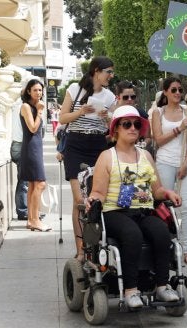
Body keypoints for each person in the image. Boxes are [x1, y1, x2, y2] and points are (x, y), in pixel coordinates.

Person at [85, 105, 182, 308]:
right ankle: (130, 290)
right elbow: (99, 192)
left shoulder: (146, 156)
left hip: (143, 210)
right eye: (127, 124)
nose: (133, 128)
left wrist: (167, 193)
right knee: (132, 234)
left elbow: (156, 190)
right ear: (116, 129)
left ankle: (162, 286)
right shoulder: (107, 156)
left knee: (162, 233)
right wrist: (92, 200)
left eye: (137, 124)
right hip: (114, 211)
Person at [59, 56, 116, 260]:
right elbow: (62, 117)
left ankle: (96, 245)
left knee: (97, 198)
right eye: (108, 71)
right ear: (96, 71)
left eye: (112, 72)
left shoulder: (110, 96)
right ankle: (81, 248)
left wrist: (108, 117)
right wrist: (81, 111)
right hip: (75, 145)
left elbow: (114, 128)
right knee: (79, 200)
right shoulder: (75, 89)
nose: (111, 75)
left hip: (98, 146)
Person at [152, 77, 187, 265]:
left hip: (185, 164)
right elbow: (158, 140)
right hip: (164, 162)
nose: (178, 93)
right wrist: (179, 128)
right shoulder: (158, 112)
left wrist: (186, 163)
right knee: (164, 207)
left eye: (180, 89)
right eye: (174, 90)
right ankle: (165, 245)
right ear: (165, 92)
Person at [19, 79, 49, 231]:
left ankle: (31, 220)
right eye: (35, 90)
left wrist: (38, 109)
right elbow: (32, 128)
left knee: (32, 185)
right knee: (40, 183)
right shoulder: (26, 107)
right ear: (28, 91)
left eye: (40, 90)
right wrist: (41, 111)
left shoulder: (35, 106)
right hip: (31, 148)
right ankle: (36, 220)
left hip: (35, 147)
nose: (39, 92)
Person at [10, 94, 28, 220]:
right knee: (24, 181)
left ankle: (26, 210)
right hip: (22, 146)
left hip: (16, 145)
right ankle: (23, 211)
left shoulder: (15, 105)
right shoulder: (25, 108)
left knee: (24, 180)